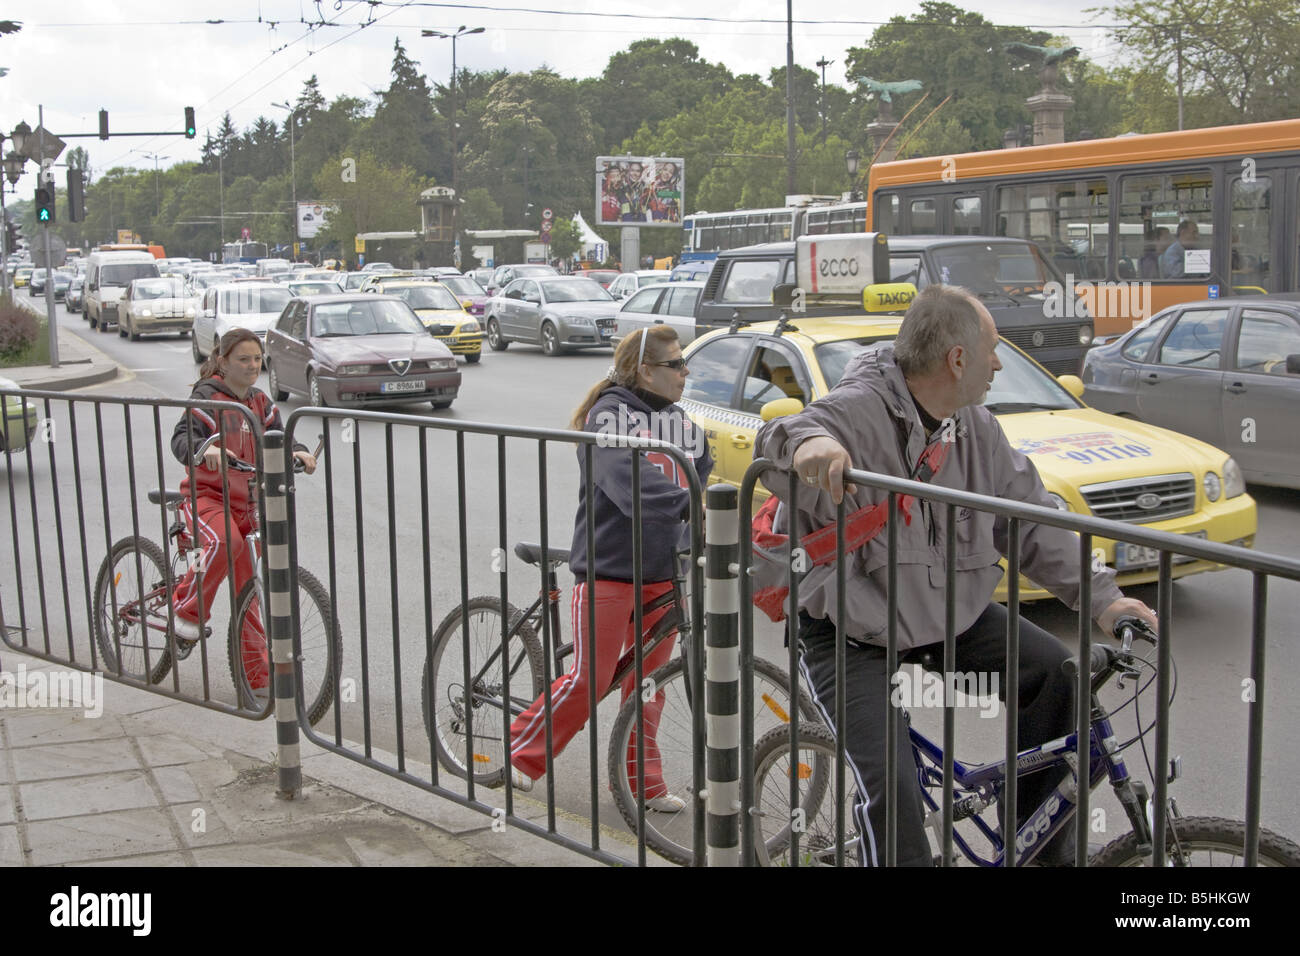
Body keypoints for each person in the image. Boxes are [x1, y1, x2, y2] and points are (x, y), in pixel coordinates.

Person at [752, 284, 1158, 866]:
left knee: (1057, 677)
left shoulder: (976, 429)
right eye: (992, 349)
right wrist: (811, 444)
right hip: (852, 631)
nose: (999, 362)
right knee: (891, 793)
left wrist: (1104, 602)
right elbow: (781, 437)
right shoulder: (860, 408)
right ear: (958, 358)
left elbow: (1031, 522)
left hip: (944, 615)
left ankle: (1035, 850)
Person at [503, 327, 712, 803]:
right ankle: (521, 754)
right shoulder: (607, 416)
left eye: (685, 364)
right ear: (646, 370)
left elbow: (702, 475)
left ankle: (644, 783)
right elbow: (625, 480)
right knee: (591, 678)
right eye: (677, 364)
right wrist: (686, 502)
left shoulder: (683, 423)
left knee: (649, 687)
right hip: (608, 568)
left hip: (664, 573)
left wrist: (708, 517)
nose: (686, 372)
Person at [169, 328, 316, 694]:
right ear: (223, 361)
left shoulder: (261, 403)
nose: (252, 367)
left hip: (248, 502)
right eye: (243, 359)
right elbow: (181, 439)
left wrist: (296, 450)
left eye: (256, 359)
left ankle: (258, 677)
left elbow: (277, 435)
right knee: (225, 543)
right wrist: (206, 451)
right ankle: (186, 613)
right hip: (206, 497)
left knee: (251, 589)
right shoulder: (206, 399)